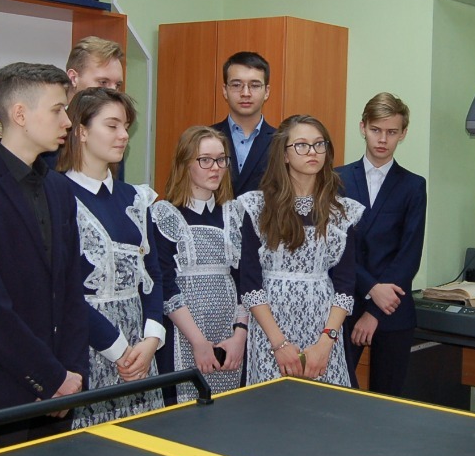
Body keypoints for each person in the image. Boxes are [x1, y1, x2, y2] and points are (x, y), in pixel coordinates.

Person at [0, 63, 116, 448]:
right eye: (57, 110)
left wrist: (72, 372)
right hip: (4, 386)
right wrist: (49, 377)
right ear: (20, 115)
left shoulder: (59, 189)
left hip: (62, 388)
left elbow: (71, 289)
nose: (67, 121)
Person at [58, 87, 164, 425]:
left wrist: (151, 339)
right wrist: (118, 349)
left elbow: (153, 273)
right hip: (89, 344)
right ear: (81, 131)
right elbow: (61, 290)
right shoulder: (56, 196)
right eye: (112, 126)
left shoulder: (135, 197)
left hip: (140, 347)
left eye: (126, 127)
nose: (123, 136)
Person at [237, 114, 362, 387]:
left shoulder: (342, 212)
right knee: (273, 406)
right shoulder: (256, 208)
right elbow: (250, 283)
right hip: (270, 332)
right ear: (284, 154)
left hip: (323, 329)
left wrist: (326, 342)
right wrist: (279, 344)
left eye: (319, 144)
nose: (312, 152)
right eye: (302, 145)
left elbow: (345, 285)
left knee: (322, 407)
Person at [336, 93, 426, 396]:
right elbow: (335, 249)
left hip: (392, 308)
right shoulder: (336, 180)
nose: (383, 139)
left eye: (391, 132)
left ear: (403, 133)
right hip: (345, 304)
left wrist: (375, 310)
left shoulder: (413, 185)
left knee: (388, 402)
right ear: (363, 127)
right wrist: (371, 288)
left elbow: (409, 255)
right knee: (336, 395)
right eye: (376, 130)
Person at [150, 126, 247, 402]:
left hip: (229, 336)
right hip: (183, 336)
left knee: (227, 411)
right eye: (205, 160)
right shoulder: (165, 215)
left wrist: (240, 335)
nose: (215, 167)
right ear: (185, 163)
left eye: (221, 159)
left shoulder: (234, 215)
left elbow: (245, 280)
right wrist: (198, 341)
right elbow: (165, 284)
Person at [212, 51, 275, 197]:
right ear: (225, 91)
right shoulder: (203, 139)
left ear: (266, 91)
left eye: (254, 85)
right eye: (236, 85)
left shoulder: (281, 142)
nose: (245, 93)